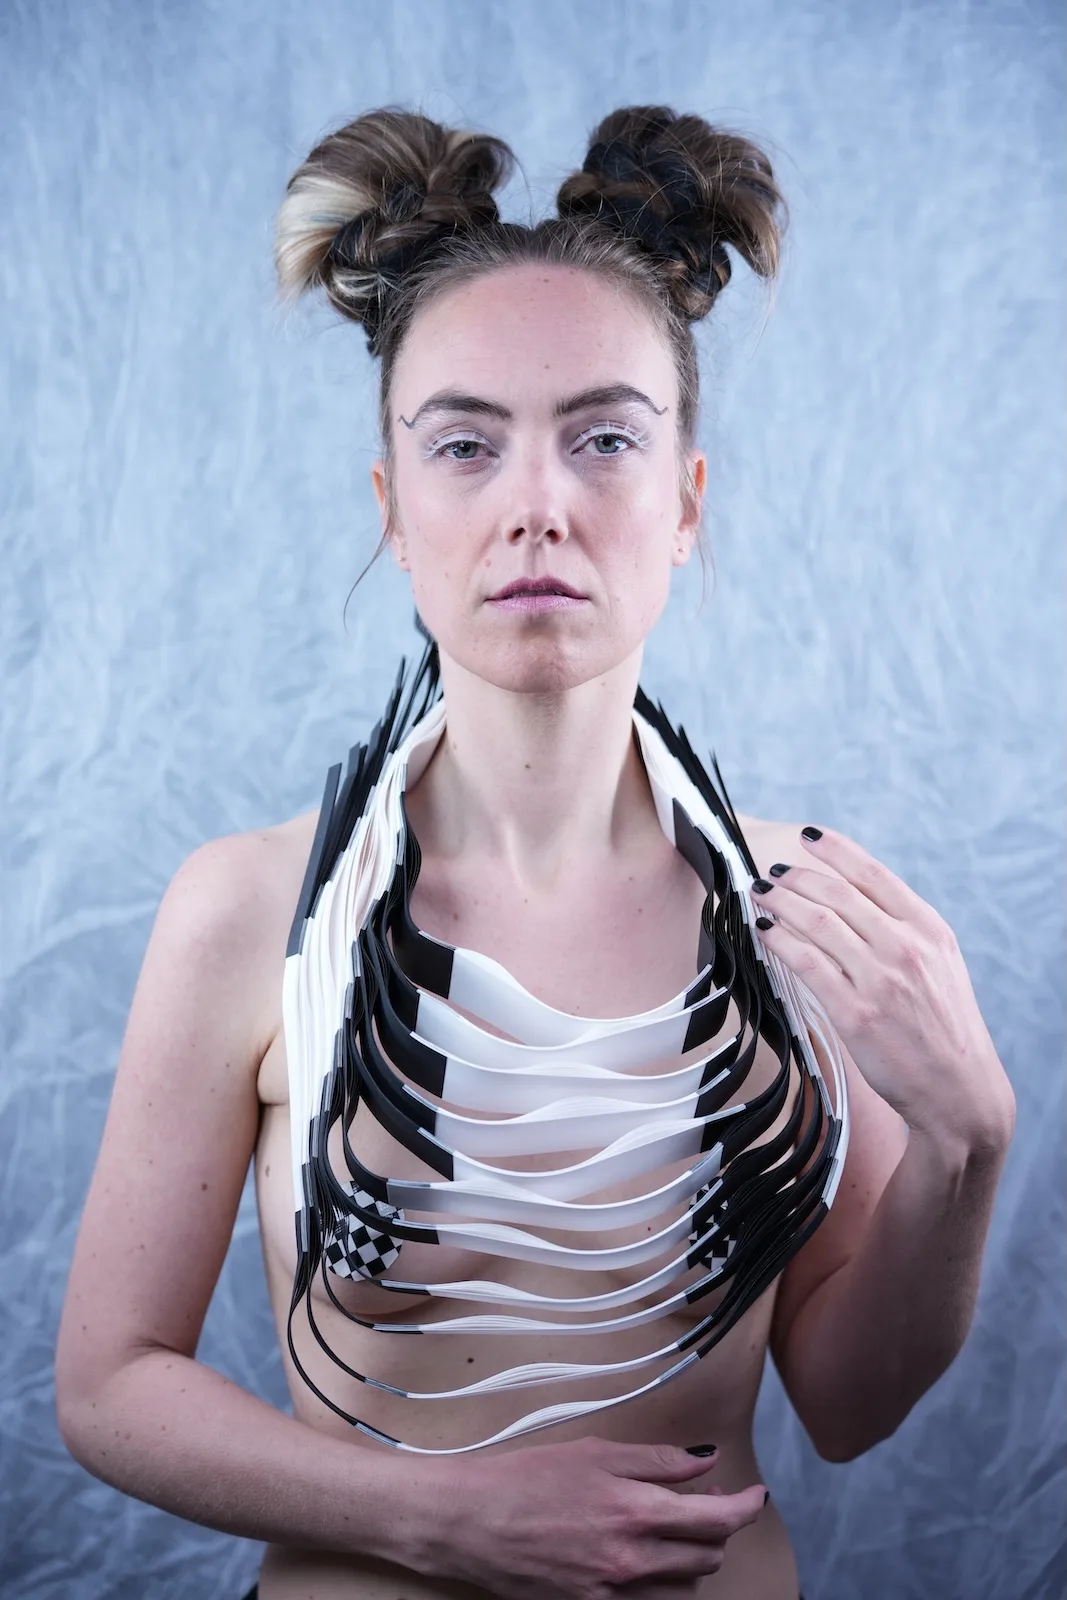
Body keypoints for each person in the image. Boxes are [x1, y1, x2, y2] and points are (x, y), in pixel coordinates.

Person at [55, 104, 1017, 1600]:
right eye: (463, 445)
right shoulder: (251, 915)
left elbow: (848, 1402)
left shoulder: (811, 913)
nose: (536, 509)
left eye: (605, 438)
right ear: (393, 508)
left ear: (684, 501)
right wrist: (437, 1519)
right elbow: (108, 1382)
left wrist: (965, 1147)